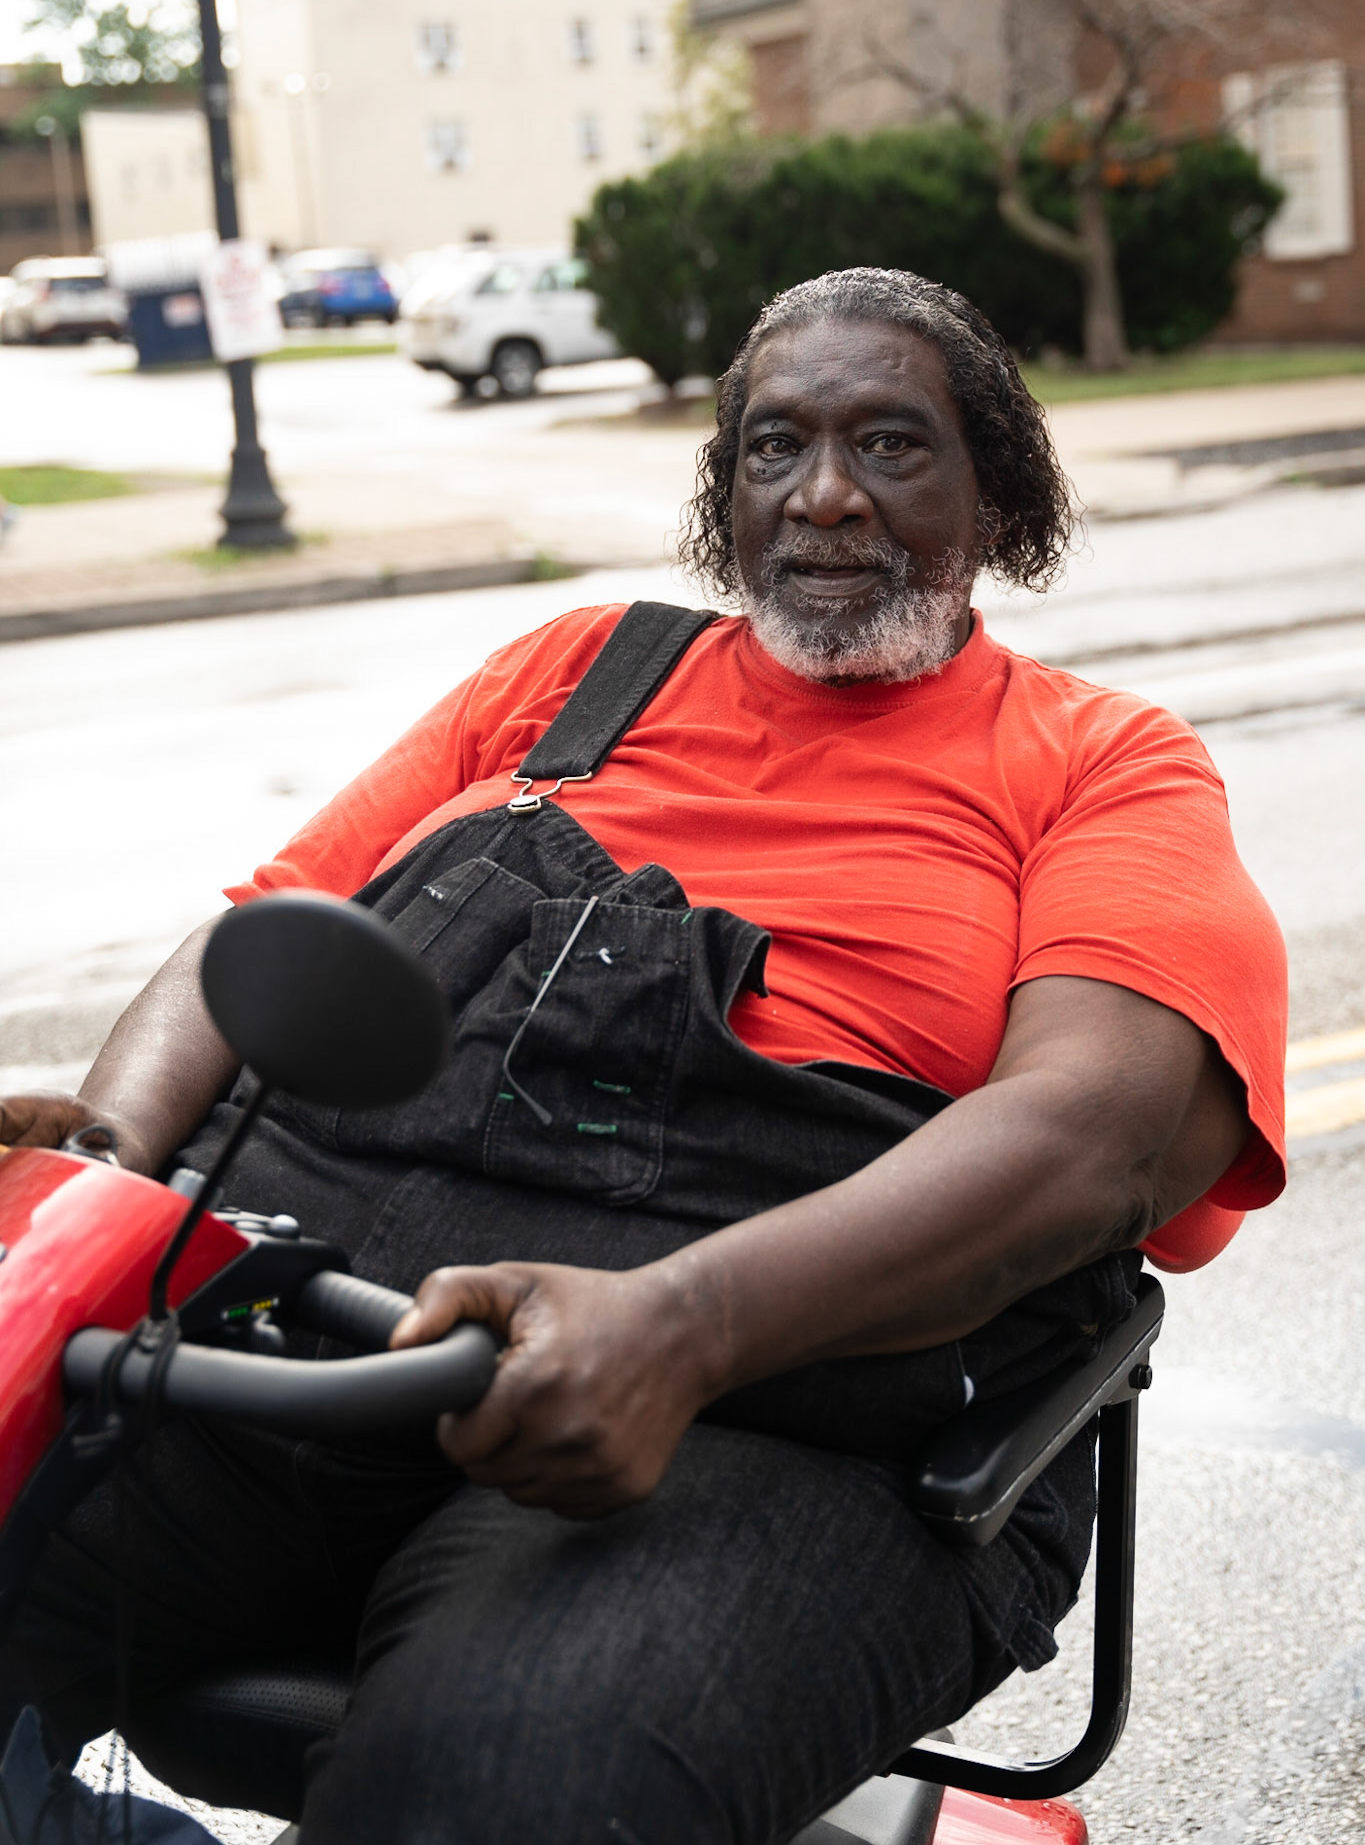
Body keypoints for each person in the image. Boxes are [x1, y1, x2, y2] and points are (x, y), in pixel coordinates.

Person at [1, 269, 1286, 1845]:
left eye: (890, 444)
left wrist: (680, 1328)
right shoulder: (575, 672)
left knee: (500, 1789)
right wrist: (101, 1171)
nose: (822, 493)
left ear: (996, 494)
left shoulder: (1100, 761)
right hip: (303, 1343)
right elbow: (259, 940)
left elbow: (1098, 1139)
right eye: (773, 446)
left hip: (765, 1428)